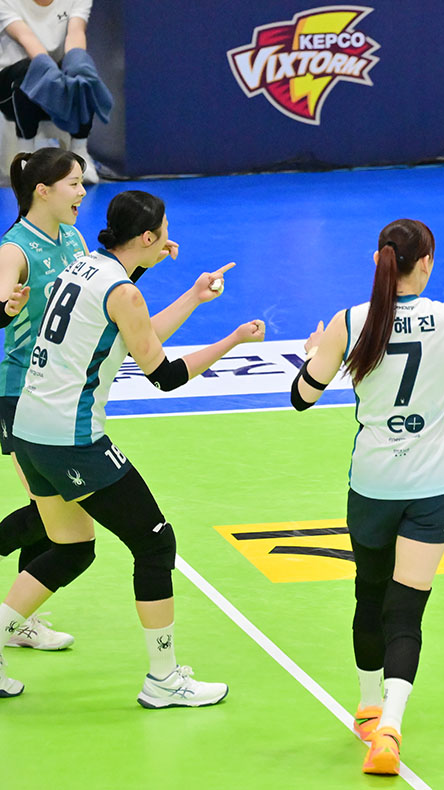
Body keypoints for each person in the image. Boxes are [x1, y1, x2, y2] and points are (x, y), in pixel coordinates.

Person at [0, 189, 265, 702]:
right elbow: (163, 374)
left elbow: (132, 332)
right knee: (155, 542)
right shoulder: (123, 292)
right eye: (163, 232)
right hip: (70, 440)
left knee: (72, 547)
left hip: (29, 430)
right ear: (147, 237)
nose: (168, 239)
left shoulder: (83, 267)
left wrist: (192, 295)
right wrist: (230, 341)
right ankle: (164, 679)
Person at [291, 220, 444, 775]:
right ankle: (390, 725)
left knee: (369, 595)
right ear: (427, 262)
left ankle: (368, 706)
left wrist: (316, 352)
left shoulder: (350, 322)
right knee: (407, 611)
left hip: (373, 486)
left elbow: (301, 398)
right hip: (432, 487)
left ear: (378, 260)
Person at [0, 147, 87, 652]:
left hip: (61, 391)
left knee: (51, 510)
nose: (82, 191)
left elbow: (92, 299)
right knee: (52, 513)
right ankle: (16, 618)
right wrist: (5, 308)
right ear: (43, 190)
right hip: (20, 393)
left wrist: (142, 264)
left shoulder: (73, 238)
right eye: (73, 183)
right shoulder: (14, 249)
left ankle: (18, 620)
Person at [0, 0, 109, 184]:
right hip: (10, 86)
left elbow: (76, 32)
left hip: (55, 78)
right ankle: (26, 155)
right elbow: (26, 37)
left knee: (81, 70)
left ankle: (79, 151)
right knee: (31, 70)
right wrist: (50, 75)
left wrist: (76, 64)